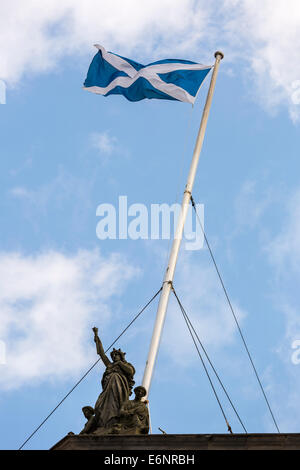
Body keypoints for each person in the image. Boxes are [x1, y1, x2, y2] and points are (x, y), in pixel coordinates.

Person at [92, 327, 135, 432]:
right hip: (108, 389)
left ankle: (116, 418)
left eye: (117, 355)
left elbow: (130, 371)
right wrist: (97, 337)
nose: (114, 356)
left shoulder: (125, 365)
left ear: (121, 356)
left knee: (116, 401)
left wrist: (120, 363)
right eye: (113, 355)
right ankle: (105, 421)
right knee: (103, 405)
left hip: (120, 387)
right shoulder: (110, 365)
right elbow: (102, 354)